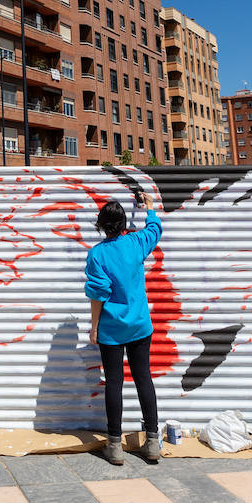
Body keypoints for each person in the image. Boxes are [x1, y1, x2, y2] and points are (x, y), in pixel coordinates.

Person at [84, 191, 163, 464]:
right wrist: (149, 207)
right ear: (123, 225)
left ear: (102, 226)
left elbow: (98, 295)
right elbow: (155, 228)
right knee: (144, 379)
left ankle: (115, 446)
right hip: (140, 325)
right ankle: (152, 442)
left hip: (111, 330)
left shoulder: (97, 256)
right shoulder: (136, 243)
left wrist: (94, 327)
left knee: (114, 384)